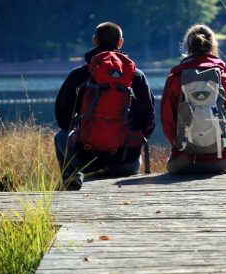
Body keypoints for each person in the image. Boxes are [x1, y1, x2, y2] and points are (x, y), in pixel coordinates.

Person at [54, 22, 155, 190]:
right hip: (126, 162)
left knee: (60, 136)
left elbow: (62, 119)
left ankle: (70, 183)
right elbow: (148, 122)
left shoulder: (79, 75)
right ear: (120, 43)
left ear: (95, 41)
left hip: (85, 161)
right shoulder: (136, 76)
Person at [161, 24, 226, 174]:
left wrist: (182, 147)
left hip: (184, 163)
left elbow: (168, 123)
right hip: (221, 161)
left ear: (187, 47)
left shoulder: (175, 80)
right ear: (213, 47)